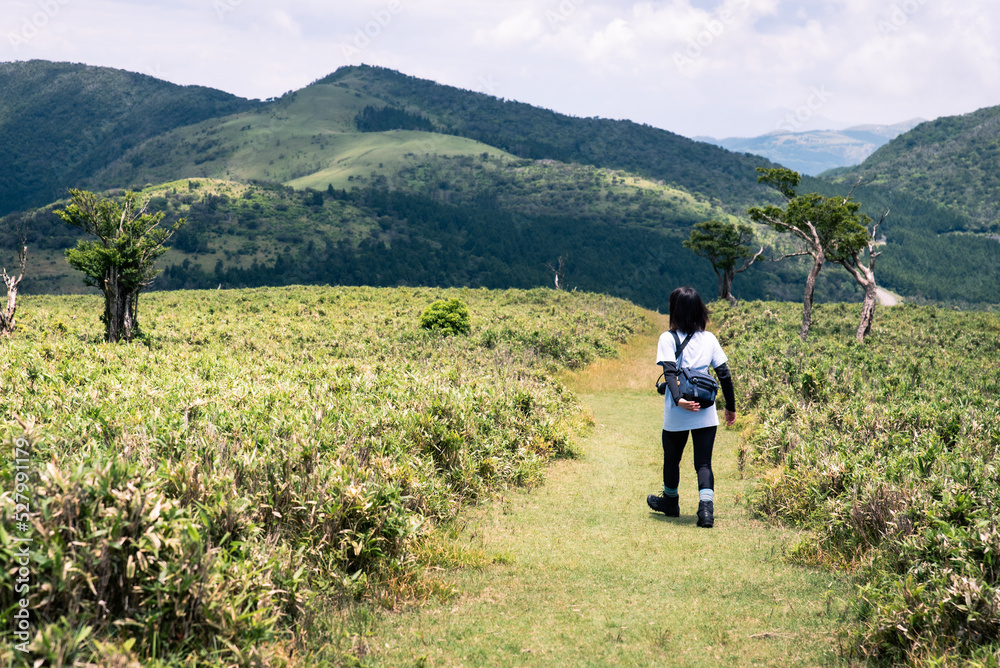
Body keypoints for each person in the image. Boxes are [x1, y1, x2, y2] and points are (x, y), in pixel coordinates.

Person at [647, 286, 736, 528]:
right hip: (706, 411)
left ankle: (670, 503)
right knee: (704, 463)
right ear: (700, 310)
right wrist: (731, 407)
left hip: (678, 411)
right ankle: (706, 512)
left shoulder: (668, 338)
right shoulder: (709, 339)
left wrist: (678, 401)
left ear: (675, 311)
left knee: (672, 460)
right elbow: (724, 374)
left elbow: (669, 372)